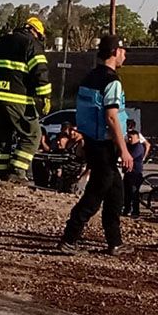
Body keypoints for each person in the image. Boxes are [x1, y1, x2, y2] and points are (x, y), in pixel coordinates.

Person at [59, 36, 132, 255]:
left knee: (116, 193)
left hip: (92, 142)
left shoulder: (89, 78)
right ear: (114, 52)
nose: (125, 55)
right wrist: (124, 149)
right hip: (103, 146)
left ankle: (115, 241)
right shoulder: (112, 81)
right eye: (123, 50)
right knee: (94, 194)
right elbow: (111, 117)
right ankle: (69, 239)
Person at [0, 16, 52, 184]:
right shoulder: (30, 44)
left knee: (1, 137)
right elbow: (40, 72)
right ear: (35, 31)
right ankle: (17, 173)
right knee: (33, 134)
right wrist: (45, 97)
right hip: (16, 98)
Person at [122, 129, 146, 218]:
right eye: (128, 137)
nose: (129, 139)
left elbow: (130, 157)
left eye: (131, 138)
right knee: (127, 192)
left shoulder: (138, 147)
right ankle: (126, 209)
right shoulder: (128, 145)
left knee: (134, 193)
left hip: (135, 174)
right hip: (128, 173)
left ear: (137, 138)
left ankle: (135, 211)